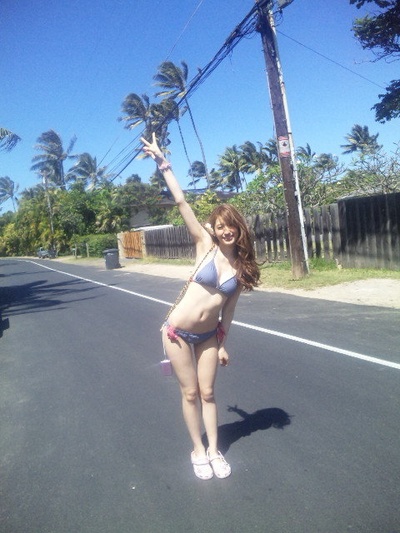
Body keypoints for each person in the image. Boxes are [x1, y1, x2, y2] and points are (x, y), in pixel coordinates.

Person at [141, 133, 260, 480]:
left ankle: (214, 450)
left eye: (230, 226)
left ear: (239, 229)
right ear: (215, 230)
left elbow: (229, 311)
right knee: (190, 392)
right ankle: (197, 450)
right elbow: (181, 202)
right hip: (177, 333)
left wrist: (222, 344)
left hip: (209, 335)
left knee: (208, 392)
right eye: (220, 226)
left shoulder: (242, 269)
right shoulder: (204, 245)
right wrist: (163, 163)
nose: (226, 231)